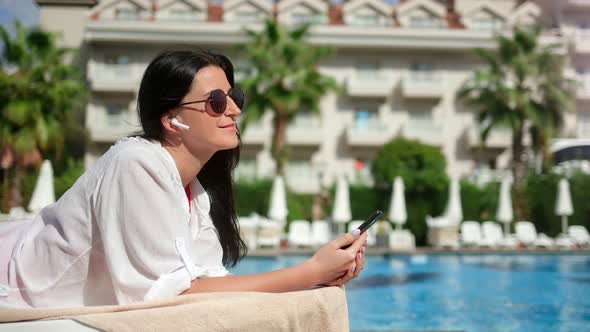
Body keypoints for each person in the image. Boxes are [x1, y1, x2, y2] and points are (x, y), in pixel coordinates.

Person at [0, 50, 367, 308]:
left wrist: (322, 273)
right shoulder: (135, 163)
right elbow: (167, 297)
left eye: (234, 96)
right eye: (217, 101)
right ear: (172, 118)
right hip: (12, 280)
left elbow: (210, 285)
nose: (235, 109)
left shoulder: (195, 192)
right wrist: (308, 272)